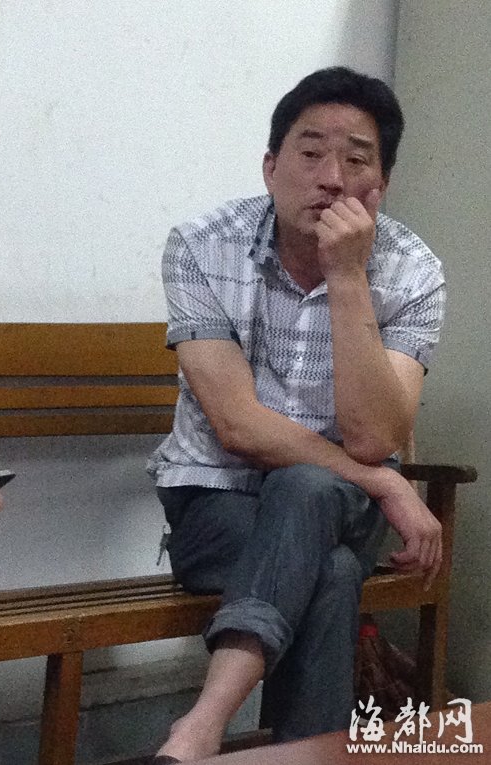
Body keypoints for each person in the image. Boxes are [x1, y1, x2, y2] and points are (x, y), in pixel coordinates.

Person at [147, 66, 446, 763]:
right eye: (310, 153)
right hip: (215, 505)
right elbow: (237, 426)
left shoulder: (412, 270)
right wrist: (383, 480)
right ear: (270, 165)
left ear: (382, 184)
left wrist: (347, 276)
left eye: (357, 160)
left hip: (342, 505)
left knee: (309, 489)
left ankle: (200, 726)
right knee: (333, 572)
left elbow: (374, 435)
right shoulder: (202, 245)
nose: (331, 179)